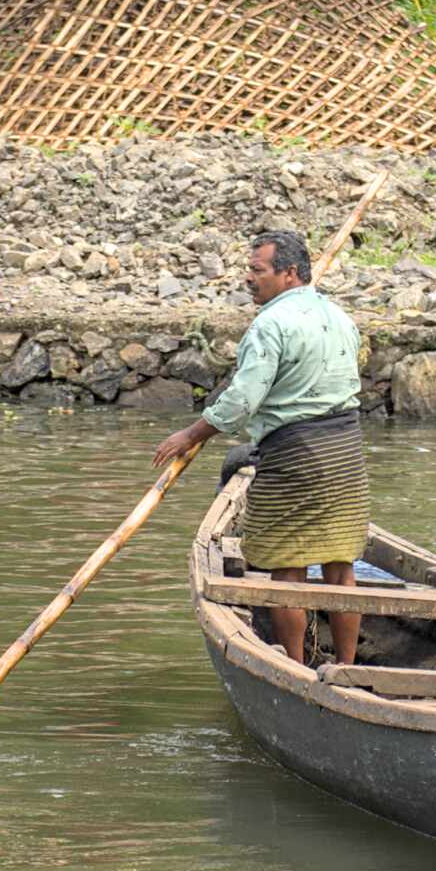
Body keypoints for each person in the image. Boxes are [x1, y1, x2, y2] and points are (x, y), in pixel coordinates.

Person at [152, 229, 369, 665]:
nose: (248, 279)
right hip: (347, 451)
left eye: (257, 270)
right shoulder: (339, 317)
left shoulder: (271, 325)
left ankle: (293, 667)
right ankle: (347, 667)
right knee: (340, 568)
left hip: (296, 454)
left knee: (285, 570)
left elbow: (242, 401)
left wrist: (190, 435)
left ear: (289, 274)